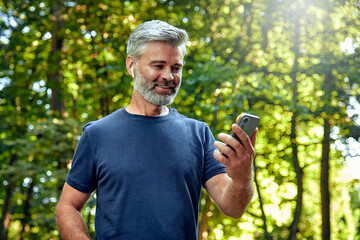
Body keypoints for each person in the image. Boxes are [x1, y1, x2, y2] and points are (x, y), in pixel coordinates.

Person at [56, 20, 257, 240]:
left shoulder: (198, 133)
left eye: (176, 68)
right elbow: (67, 206)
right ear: (132, 65)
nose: (169, 76)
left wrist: (242, 176)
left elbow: (233, 208)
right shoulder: (97, 134)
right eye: (158, 66)